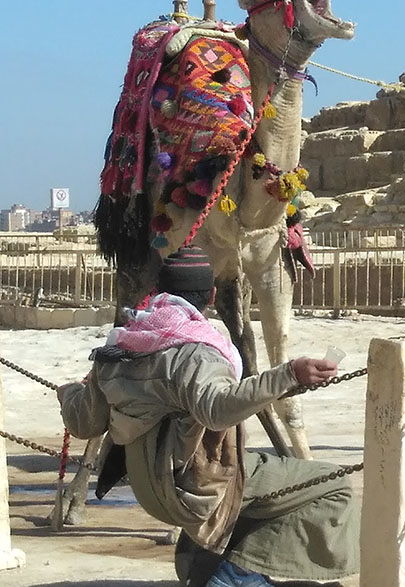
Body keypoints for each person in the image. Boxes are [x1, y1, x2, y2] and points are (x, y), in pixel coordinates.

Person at [57, 246, 360, 587]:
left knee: (260, 470)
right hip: (194, 487)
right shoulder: (197, 353)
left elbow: (83, 423)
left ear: (157, 293)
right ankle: (237, 573)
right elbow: (216, 409)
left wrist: (68, 392)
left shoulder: (121, 347)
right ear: (212, 295)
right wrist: (288, 374)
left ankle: (203, 564)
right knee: (335, 486)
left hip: (148, 488)